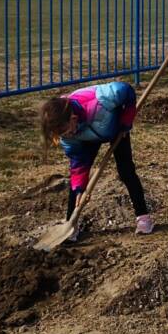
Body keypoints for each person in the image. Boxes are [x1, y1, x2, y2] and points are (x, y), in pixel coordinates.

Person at [39, 81, 154, 240]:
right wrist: (79, 188)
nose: (65, 136)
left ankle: (143, 218)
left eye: (65, 131)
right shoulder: (68, 137)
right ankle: (71, 225)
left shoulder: (102, 99)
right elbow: (78, 165)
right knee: (76, 186)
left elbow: (126, 90)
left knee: (126, 171)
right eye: (61, 134)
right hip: (87, 138)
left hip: (115, 127)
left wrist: (126, 122)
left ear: (73, 118)